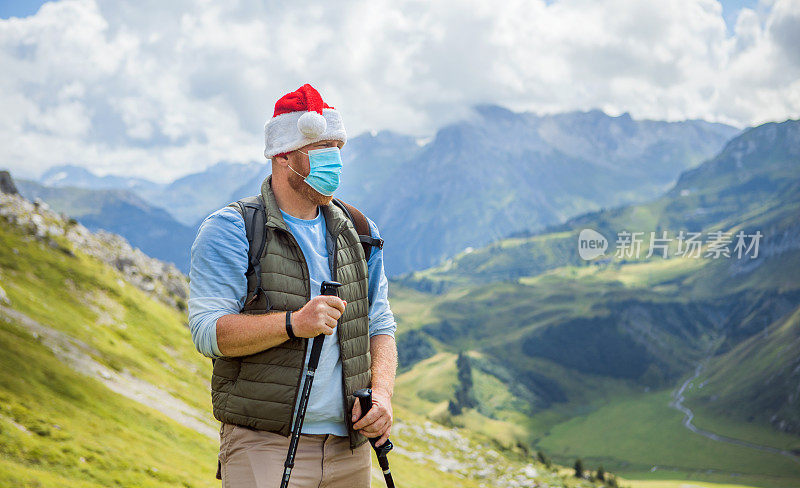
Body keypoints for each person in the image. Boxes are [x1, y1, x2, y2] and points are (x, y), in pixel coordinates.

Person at [188, 83, 398, 487]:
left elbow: (380, 325)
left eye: (338, 149)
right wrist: (292, 323)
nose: (334, 162)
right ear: (282, 155)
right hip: (264, 445)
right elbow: (208, 333)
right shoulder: (231, 230)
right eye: (322, 150)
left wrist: (383, 395)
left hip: (350, 450)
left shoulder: (361, 231)